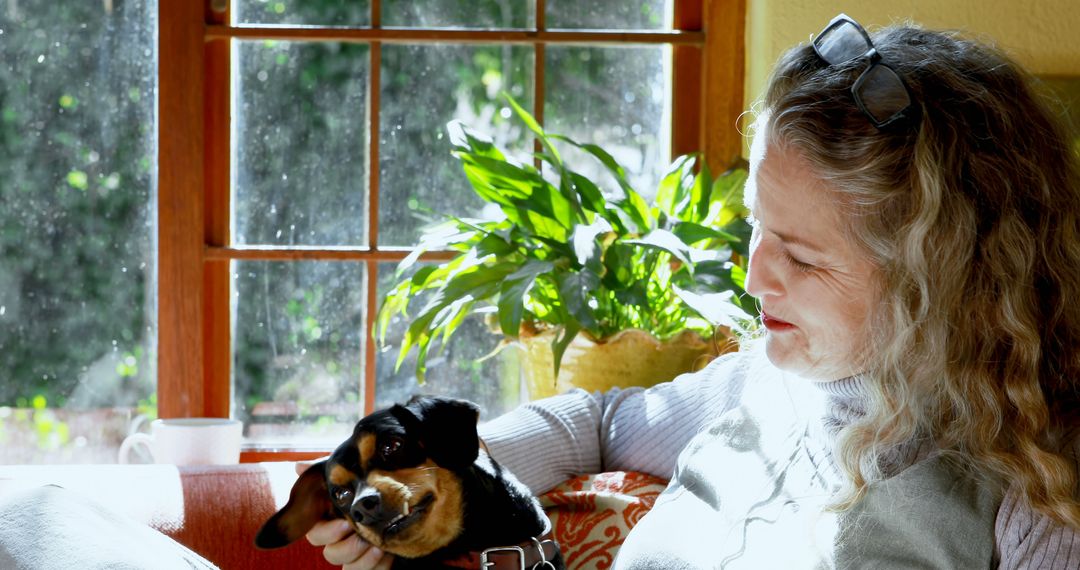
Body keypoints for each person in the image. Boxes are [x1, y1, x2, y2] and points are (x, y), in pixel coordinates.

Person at [306, 14, 1080, 570]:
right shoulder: (767, 382)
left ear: (942, 276)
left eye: (804, 259)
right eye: (755, 228)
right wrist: (445, 487)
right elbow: (597, 424)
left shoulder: (1039, 488)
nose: (752, 277)